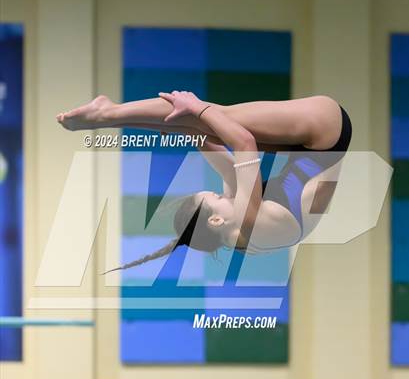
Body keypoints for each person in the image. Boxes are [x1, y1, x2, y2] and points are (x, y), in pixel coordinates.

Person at [57, 92, 351, 269]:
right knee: (215, 115)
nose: (222, 195)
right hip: (326, 132)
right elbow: (243, 142)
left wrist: (188, 128)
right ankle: (106, 113)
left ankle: (109, 114)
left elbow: (225, 164)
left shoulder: (236, 232)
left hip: (309, 150)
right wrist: (198, 108)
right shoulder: (251, 223)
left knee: (196, 125)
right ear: (215, 221)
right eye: (216, 197)